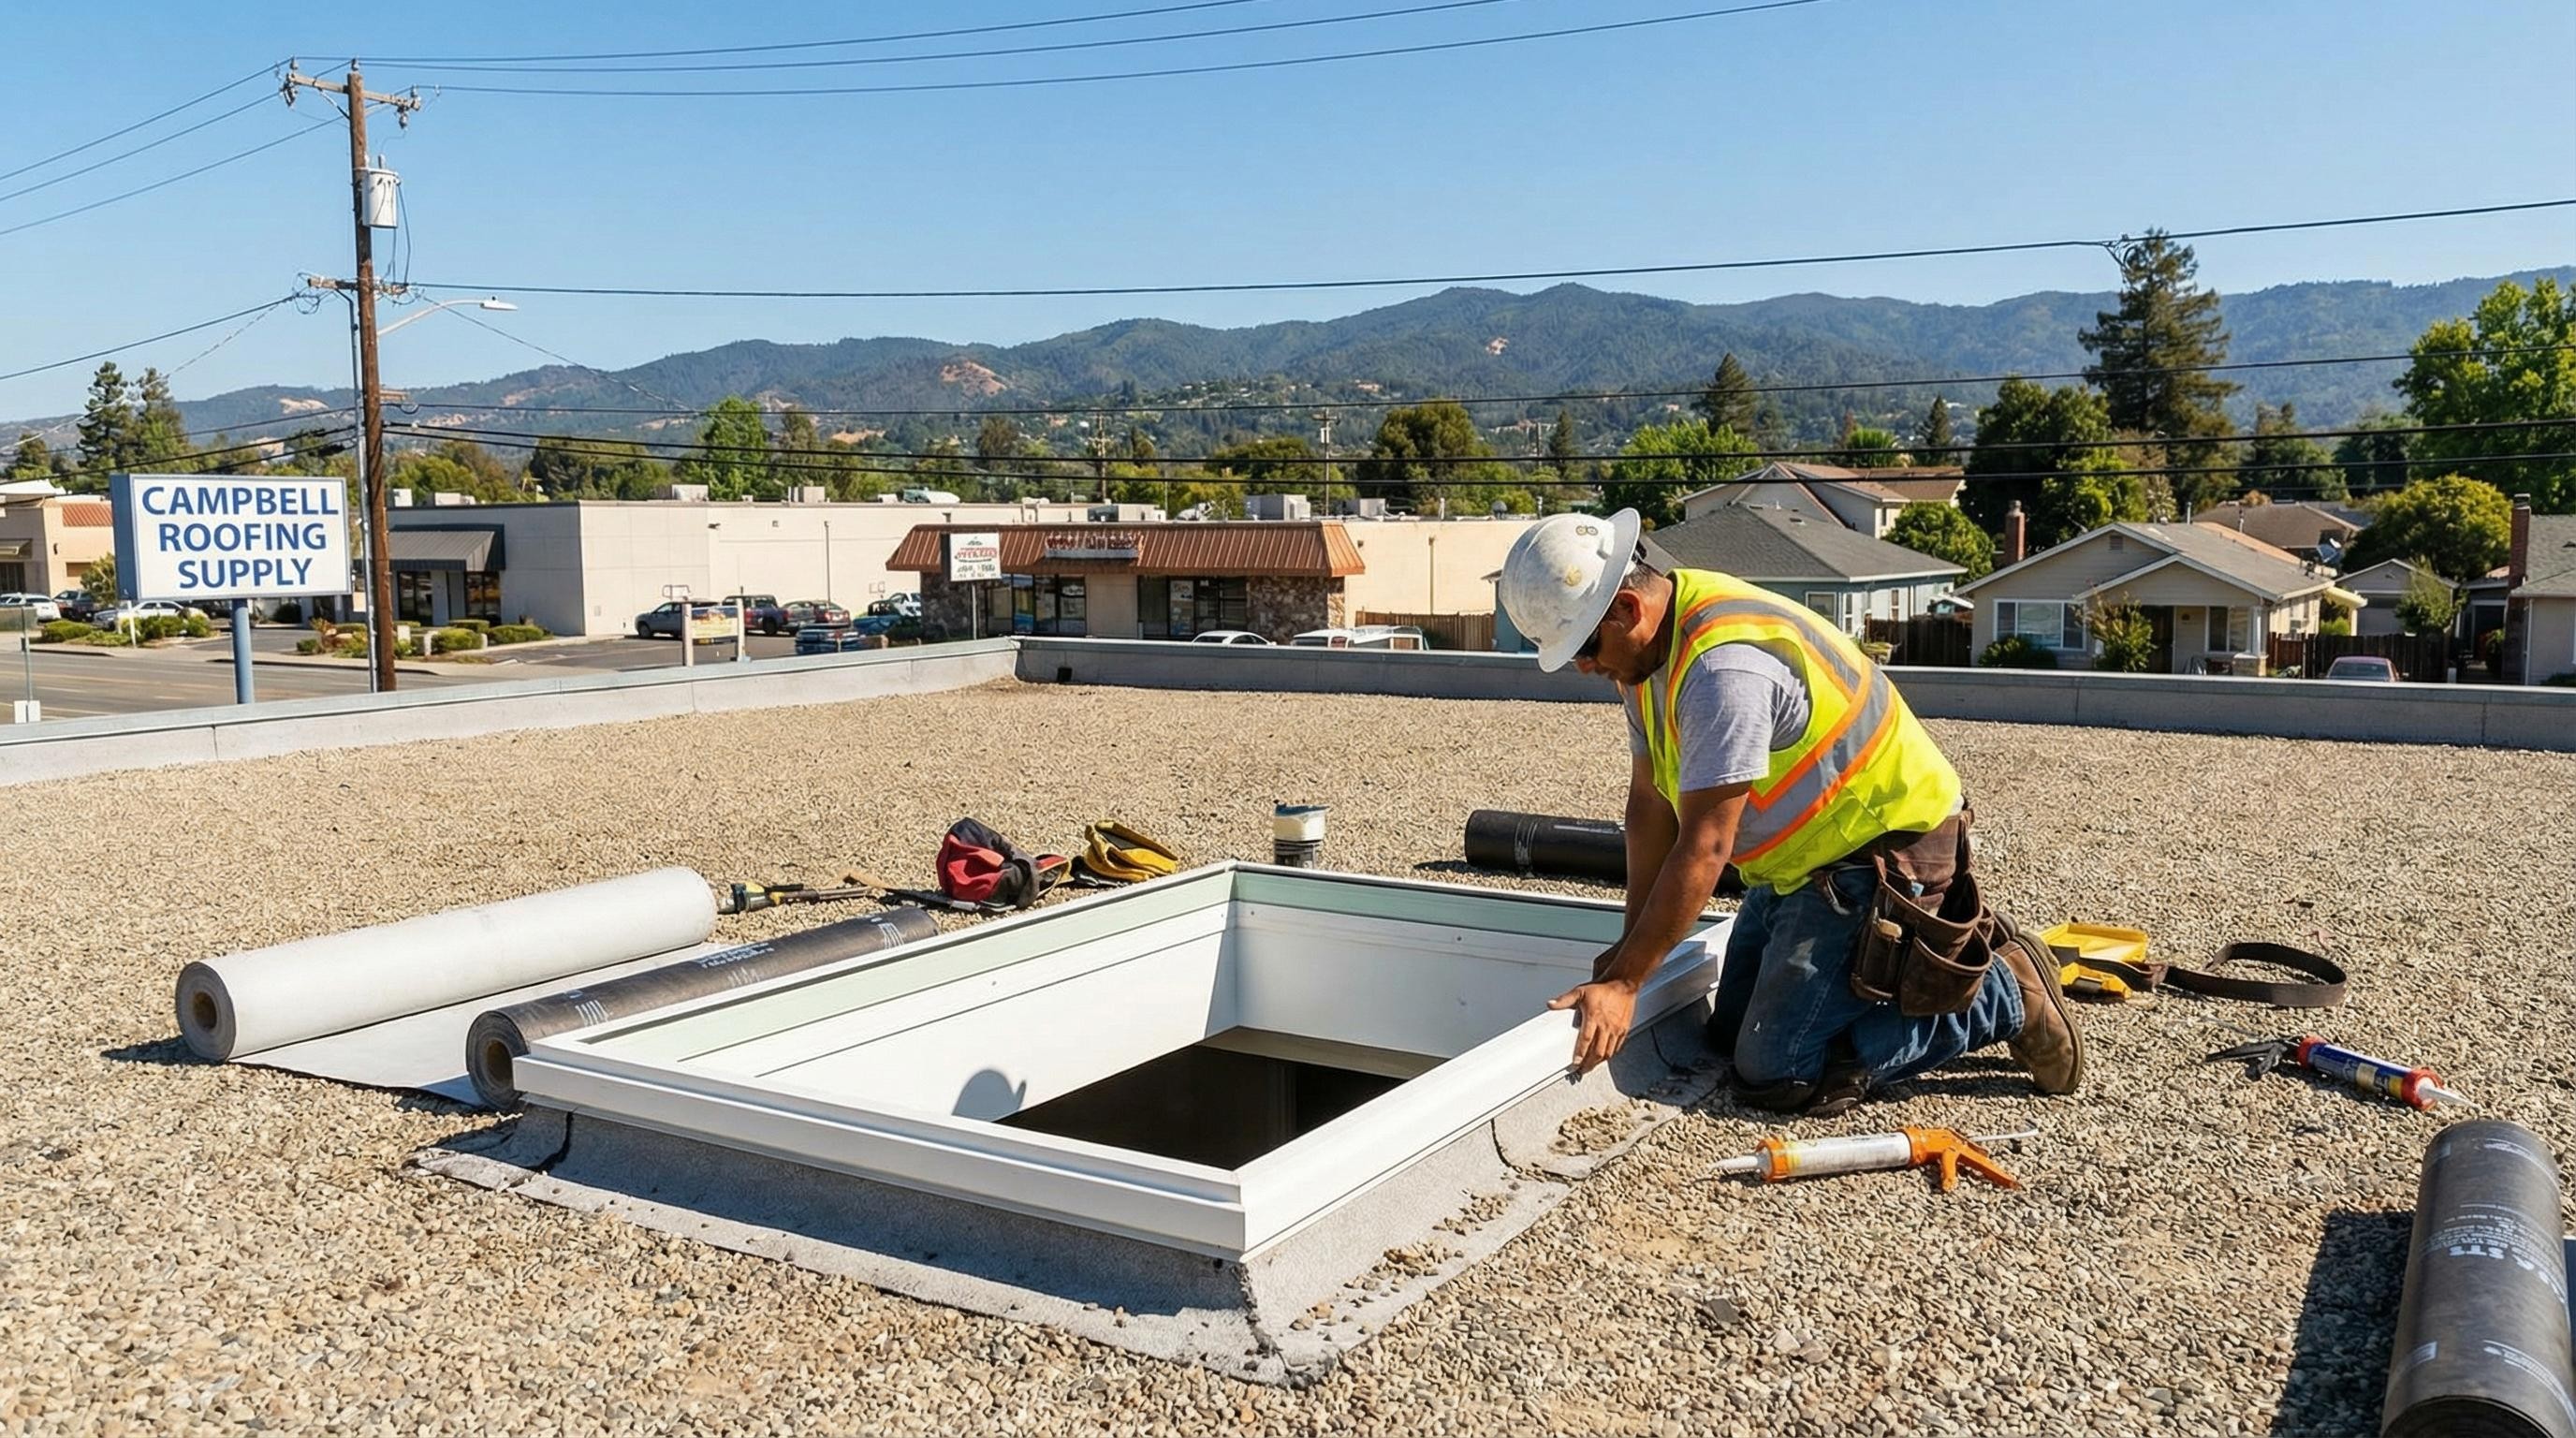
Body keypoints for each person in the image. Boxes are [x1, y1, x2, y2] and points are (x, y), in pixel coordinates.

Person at [1498, 508, 2082, 1116]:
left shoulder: (1723, 669)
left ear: (1626, 607)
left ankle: (2003, 990)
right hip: (1800, 866)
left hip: (1881, 853)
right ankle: (1908, 974)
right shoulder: (1646, 656)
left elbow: (1703, 846)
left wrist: (1624, 985)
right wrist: (1628, 952)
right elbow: (1650, 807)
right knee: (1723, 1041)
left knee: (1777, 1070)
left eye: (1586, 647)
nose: (1586, 666)